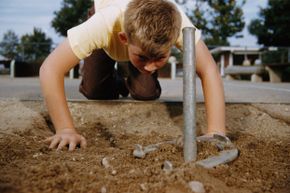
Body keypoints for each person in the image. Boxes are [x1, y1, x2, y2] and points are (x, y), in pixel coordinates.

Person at [40, 0, 226, 151]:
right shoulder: (103, 24)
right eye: (143, 58)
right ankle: (117, 80)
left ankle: (131, 74)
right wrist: (65, 129)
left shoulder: (178, 23)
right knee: (95, 90)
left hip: (140, 37)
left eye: (159, 58)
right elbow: (50, 69)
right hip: (106, 33)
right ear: (124, 39)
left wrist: (216, 131)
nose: (150, 66)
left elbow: (208, 70)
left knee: (146, 93)